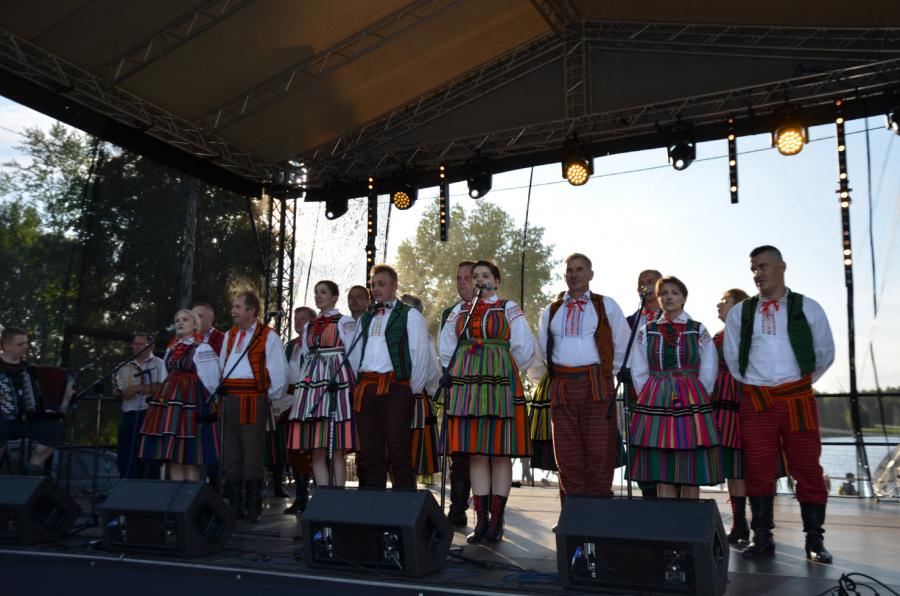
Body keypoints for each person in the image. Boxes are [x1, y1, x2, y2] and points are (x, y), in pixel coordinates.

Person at [724, 245, 835, 563]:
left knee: (808, 467)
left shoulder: (808, 307)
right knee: (757, 468)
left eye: (763, 266)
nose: (757, 274)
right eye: (753, 269)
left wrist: (798, 383)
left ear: (781, 266)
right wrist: (756, 383)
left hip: (797, 398)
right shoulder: (742, 312)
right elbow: (732, 356)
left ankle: (815, 540)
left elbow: (825, 352)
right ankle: (762, 538)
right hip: (757, 399)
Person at [439, 260, 535, 544]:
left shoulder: (508, 308)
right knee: (476, 452)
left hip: (499, 383)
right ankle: (481, 521)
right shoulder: (460, 310)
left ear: (496, 280)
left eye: (485, 275)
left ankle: (497, 520)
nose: (479, 280)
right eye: (475, 276)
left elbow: (524, 347)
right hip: (468, 384)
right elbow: (446, 346)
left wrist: (503, 366)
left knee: (500, 451)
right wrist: (460, 369)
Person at [536, 253, 630, 500]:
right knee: (567, 453)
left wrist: (608, 376)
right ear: (564, 275)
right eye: (570, 270)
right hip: (562, 385)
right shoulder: (551, 310)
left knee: (600, 450)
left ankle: (597, 513)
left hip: (597, 383)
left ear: (590, 274)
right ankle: (573, 514)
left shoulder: (606, 305)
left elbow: (622, 343)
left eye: (579, 269)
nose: (574, 274)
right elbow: (543, 349)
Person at [629, 276, 722, 499]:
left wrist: (699, 393)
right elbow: (638, 367)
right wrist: (649, 393)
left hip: (691, 398)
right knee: (662, 465)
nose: (669, 297)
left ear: (684, 298)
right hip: (656, 396)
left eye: (674, 293)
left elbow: (709, 365)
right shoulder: (646, 331)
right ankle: (666, 516)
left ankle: (690, 517)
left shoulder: (697, 329)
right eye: (663, 293)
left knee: (691, 461)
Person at [352, 264, 432, 490]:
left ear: (395, 285)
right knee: (370, 453)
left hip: (396, 388)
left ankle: (404, 506)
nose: (376, 289)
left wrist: (410, 390)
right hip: (367, 388)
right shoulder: (366, 318)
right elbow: (356, 355)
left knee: (399, 451)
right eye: (373, 285)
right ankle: (372, 506)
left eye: (381, 284)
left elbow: (420, 354)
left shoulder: (410, 315)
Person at [218, 290, 288, 523]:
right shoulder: (230, 335)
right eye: (234, 307)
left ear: (251, 311)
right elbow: (222, 365)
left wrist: (269, 397)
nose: (233, 311)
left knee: (251, 453)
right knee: (230, 453)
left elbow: (278, 371)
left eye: (238, 307)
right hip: (230, 398)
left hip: (253, 399)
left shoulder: (268, 336)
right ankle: (235, 506)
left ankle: (253, 506)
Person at [287, 282, 360, 489]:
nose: (318, 296)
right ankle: (323, 495)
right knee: (317, 448)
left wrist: (351, 384)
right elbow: (305, 355)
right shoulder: (309, 326)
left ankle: (337, 496)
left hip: (336, 383)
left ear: (334, 297)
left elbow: (354, 354)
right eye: (316, 293)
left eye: (323, 292)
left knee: (335, 447)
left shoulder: (344, 321)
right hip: (312, 386)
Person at [139, 309, 221, 481]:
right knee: (174, 454)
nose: (180, 323)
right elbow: (165, 375)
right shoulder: (171, 348)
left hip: (191, 403)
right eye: (177, 320)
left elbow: (212, 380)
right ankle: (176, 492)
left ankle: (191, 494)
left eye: (185, 319)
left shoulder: (202, 348)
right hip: (170, 403)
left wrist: (206, 404)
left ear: (195, 324)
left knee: (190, 454)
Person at [712, 288, 751, 543]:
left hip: (744, 402)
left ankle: (760, 524)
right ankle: (740, 523)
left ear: (738, 306)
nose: (719, 304)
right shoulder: (718, 336)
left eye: (725, 301)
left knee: (749, 466)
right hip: (722, 406)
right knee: (734, 468)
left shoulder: (749, 334)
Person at [439, 260, 476, 528]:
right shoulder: (450, 312)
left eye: (468, 277)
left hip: (486, 384)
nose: (462, 282)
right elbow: (444, 348)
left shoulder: (494, 309)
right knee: (459, 449)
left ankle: (488, 514)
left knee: (484, 448)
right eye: (458, 278)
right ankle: (458, 506)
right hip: (457, 383)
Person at [0, 327, 65, 475]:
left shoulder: (30, 369)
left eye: (26, 343)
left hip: (26, 420)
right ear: (6, 346)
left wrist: (66, 393)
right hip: (2, 419)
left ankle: (31, 469)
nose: (26, 347)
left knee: (55, 429)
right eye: (20, 344)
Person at [624, 269, 663, 499]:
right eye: (641, 282)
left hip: (667, 393)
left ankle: (670, 496)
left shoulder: (674, 318)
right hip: (636, 394)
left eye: (650, 281)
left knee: (666, 442)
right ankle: (648, 495)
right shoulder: (629, 322)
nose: (645, 285)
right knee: (641, 443)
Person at [400, 293, 441, 480]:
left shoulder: (424, 336)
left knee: (411, 446)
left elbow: (431, 370)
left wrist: (427, 390)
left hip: (415, 395)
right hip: (405, 392)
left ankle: (407, 486)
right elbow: (433, 373)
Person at [115, 333, 166, 479]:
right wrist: (119, 392)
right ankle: (125, 483)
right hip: (127, 413)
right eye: (135, 344)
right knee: (124, 453)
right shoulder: (124, 365)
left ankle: (147, 486)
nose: (137, 346)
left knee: (147, 454)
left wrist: (137, 388)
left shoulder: (159, 364)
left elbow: (163, 387)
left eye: (141, 344)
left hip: (148, 414)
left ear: (151, 347)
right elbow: (116, 389)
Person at [283, 306, 316, 514]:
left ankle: (320, 497)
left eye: (302, 319)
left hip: (310, 398)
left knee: (313, 449)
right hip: (291, 401)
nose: (297, 323)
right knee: (294, 451)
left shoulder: (314, 343)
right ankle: (301, 497)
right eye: (296, 319)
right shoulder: (290, 345)